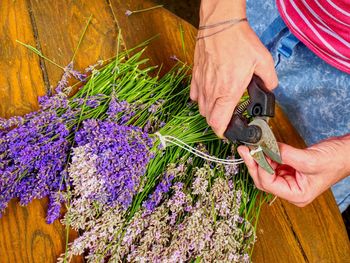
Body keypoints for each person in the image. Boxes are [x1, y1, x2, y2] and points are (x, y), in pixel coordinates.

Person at [190, 0, 350, 207]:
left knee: (283, 202)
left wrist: (345, 157)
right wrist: (220, 19)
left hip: (338, 99)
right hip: (263, 10)